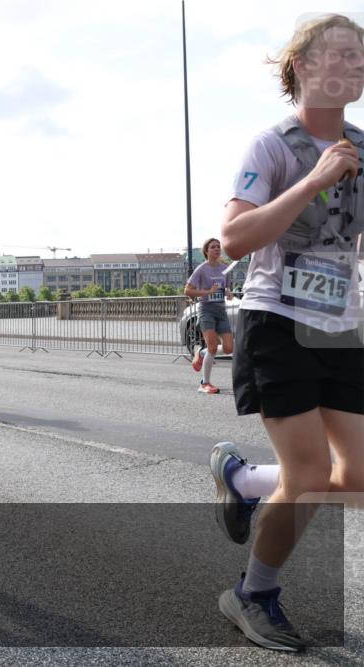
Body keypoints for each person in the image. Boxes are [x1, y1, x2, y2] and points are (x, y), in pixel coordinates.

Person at [211, 14, 364, 652]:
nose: (357, 65)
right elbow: (235, 239)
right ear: (302, 65)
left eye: (362, 56)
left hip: (340, 328)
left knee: (355, 477)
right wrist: (313, 181)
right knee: (304, 473)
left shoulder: (362, 146)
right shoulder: (272, 146)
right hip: (276, 319)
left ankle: (243, 481)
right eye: (343, 54)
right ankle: (253, 595)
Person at [184, 238, 234, 394]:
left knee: (228, 348)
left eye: (219, 246)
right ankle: (205, 383)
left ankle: (201, 352)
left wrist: (227, 291)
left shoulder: (225, 268)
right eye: (213, 247)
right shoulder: (201, 269)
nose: (217, 249)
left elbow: (225, 287)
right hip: (206, 310)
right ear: (206, 251)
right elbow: (187, 291)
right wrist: (207, 292)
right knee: (212, 346)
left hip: (221, 311)